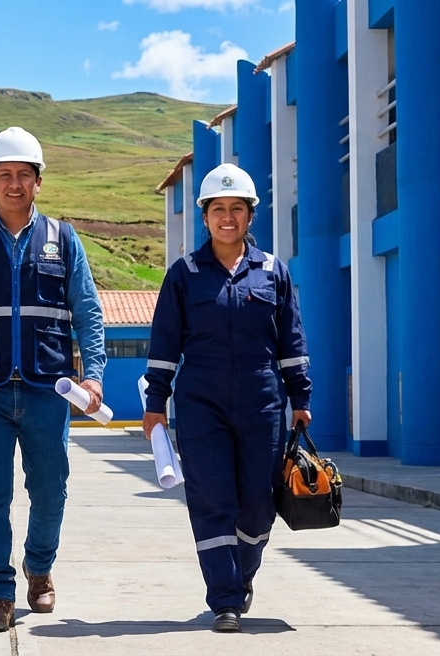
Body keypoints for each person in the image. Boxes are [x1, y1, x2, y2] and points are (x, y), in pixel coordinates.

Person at [0, 127, 107, 632]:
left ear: (38, 182)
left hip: (47, 388)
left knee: (51, 490)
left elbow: (89, 315)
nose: (14, 184)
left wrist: (91, 375)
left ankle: (40, 566)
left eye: (23, 175)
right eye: (4, 175)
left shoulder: (63, 239)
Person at [141, 162, 312, 633]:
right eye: (219, 208)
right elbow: (164, 344)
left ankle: (244, 572)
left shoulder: (273, 272)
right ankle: (225, 599)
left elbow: (291, 342)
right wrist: (156, 405)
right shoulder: (185, 274)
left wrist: (300, 398)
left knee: (258, 502)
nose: (228, 217)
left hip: (261, 400)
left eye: (237, 208)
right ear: (205, 215)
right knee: (212, 497)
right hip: (202, 403)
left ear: (251, 215)